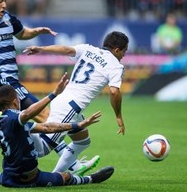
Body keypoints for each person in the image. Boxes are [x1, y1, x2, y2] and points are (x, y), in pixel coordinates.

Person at [0, 74, 115, 187]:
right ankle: (89, 178)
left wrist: (76, 126)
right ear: (15, 100)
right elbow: (37, 120)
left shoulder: (1, 120)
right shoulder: (14, 118)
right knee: (64, 177)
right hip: (30, 179)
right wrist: (53, 94)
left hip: (9, 178)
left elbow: (44, 127)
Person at [23, 31, 128, 173]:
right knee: (43, 149)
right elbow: (114, 91)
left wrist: (43, 49)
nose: (124, 55)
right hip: (70, 108)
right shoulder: (116, 66)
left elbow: (66, 49)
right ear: (116, 50)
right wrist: (118, 116)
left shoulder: (88, 49)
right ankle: (23, 128)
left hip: (64, 101)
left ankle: (57, 175)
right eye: (124, 51)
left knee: (82, 142)